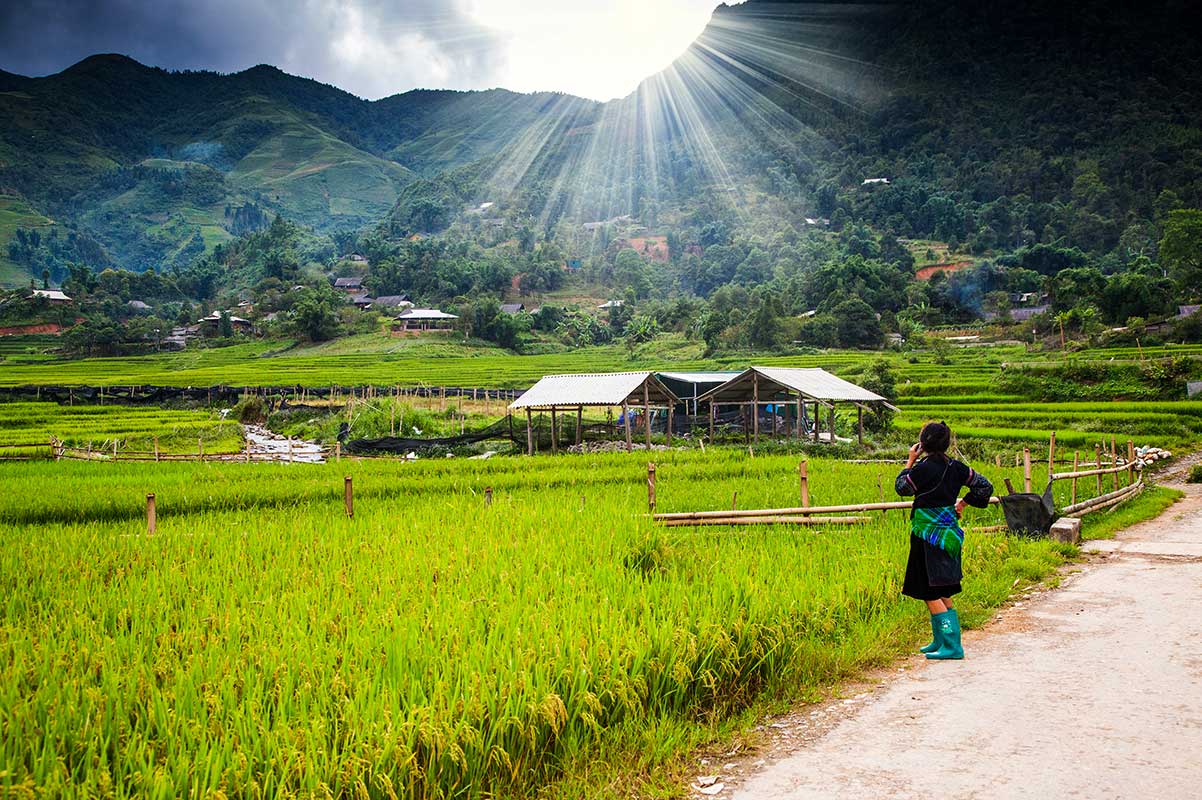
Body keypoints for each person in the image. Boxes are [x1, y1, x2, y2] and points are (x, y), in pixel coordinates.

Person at [894, 421, 993, 660]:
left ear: (923, 444)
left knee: (928, 589)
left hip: (927, 535)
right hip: (949, 534)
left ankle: (951, 645)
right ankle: (941, 639)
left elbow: (902, 488)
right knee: (940, 587)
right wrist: (962, 503)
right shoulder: (957, 468)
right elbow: (985, 487)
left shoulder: (922, 469)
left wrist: (910, 461)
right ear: (946, 443)